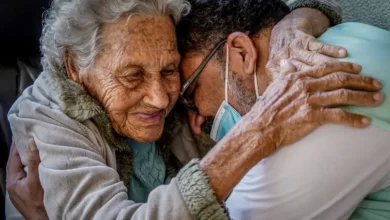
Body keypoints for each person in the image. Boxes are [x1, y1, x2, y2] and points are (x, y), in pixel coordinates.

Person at [4, 0, 384, 220]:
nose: (160, 98)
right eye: (133, 75)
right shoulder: (48, 122)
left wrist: (303, 15)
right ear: (75, 68)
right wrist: (256, 132)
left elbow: (251, 24)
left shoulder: (173, 78)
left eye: (170, 71)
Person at [174, 0, 390, 219]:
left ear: (242, 52)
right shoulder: (351, 37)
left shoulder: (317, 100)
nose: (196, 123)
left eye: (192, 93)